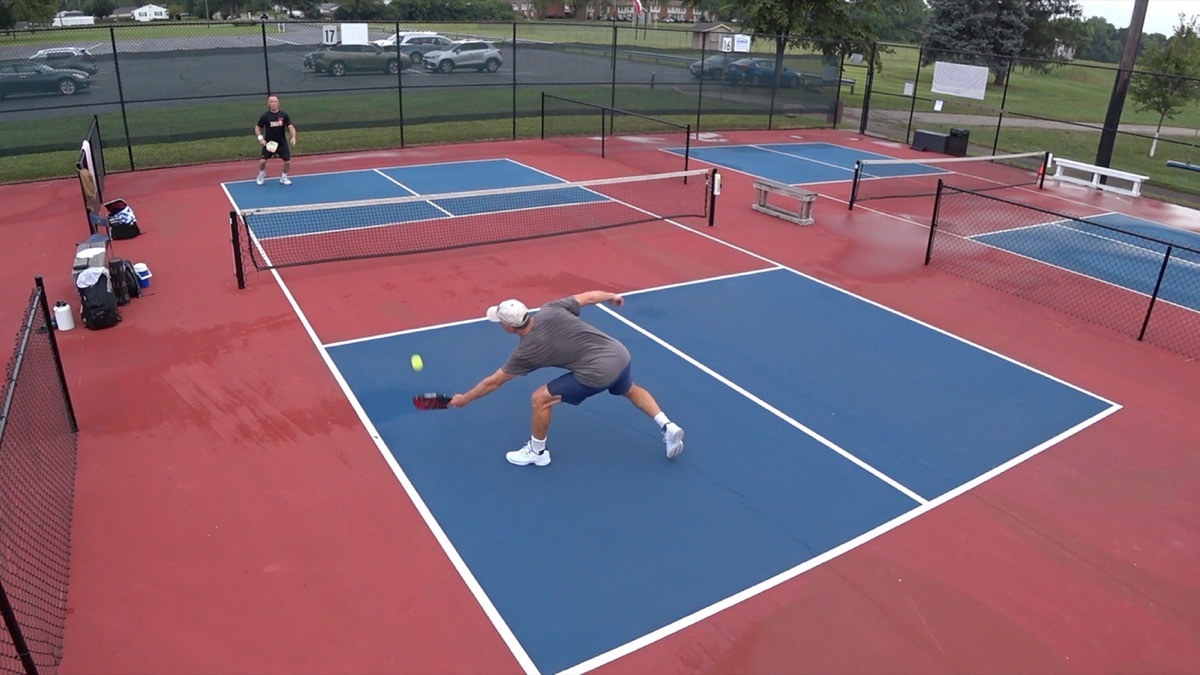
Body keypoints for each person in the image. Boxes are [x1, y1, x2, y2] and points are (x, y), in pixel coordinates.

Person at [450, 291, 685, 467]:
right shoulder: (550, 309)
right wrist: (611, 296)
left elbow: (494, 381)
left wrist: (465, 399)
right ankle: (667, 426)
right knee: (630, 389)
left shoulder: (526, 352)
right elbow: (590, 296)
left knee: (540, 398)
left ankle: (537, 452)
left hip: (597, 371)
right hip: (619, 353)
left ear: (509, 327)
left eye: (501, 322)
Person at [254, 94, 296, 186]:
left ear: (278, 103)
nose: (273, 103)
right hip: (269, 143)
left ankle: (283, 177)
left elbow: (291, 126)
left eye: (275, 102)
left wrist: (293, 137)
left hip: (281, 143)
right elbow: (258, 127)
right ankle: (261, 173)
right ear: (268, 103)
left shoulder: (284, 115)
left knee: (287, 161)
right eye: (271, 102)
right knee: (262, 161)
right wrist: (260, 138)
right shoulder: (265, 116)